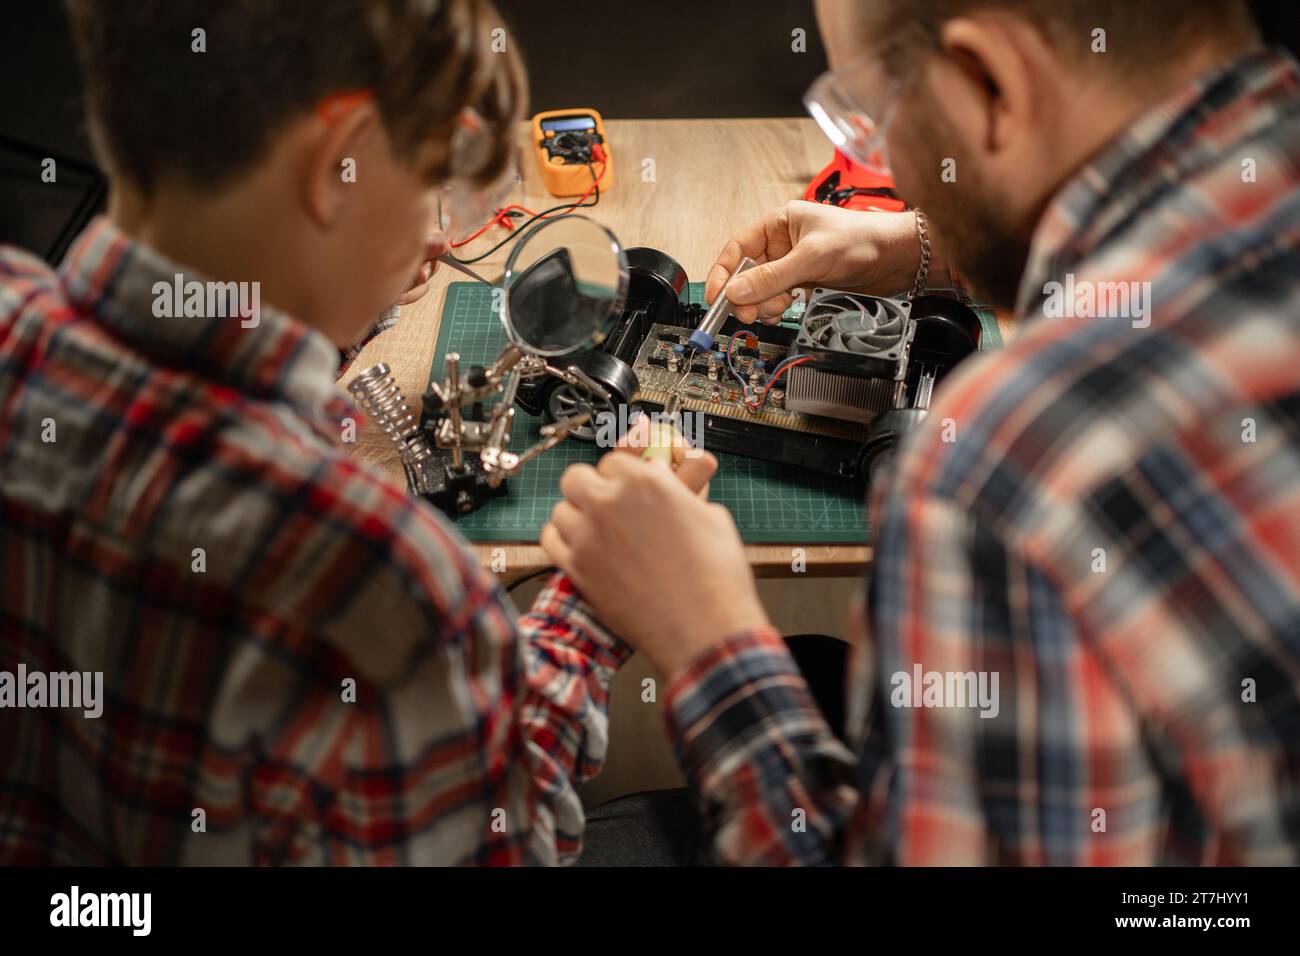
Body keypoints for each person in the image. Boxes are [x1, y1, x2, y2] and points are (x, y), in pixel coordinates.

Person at [542, 0, 1300, 864]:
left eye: (871, 113)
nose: (883, 159)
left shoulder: (1002, 475)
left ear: (988, 81)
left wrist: (703, 641)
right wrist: (918, 248)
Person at [0, 0, 715, 865]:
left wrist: (332, 294)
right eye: (435, 180)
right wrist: (596, 605)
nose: (440, 237)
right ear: (339, 162)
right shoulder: (375, 584)